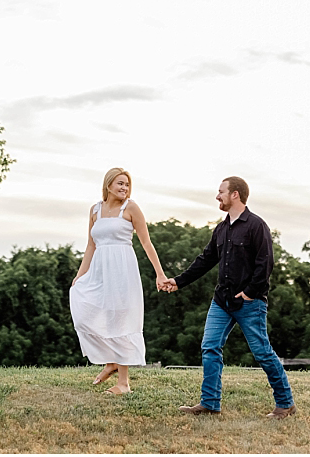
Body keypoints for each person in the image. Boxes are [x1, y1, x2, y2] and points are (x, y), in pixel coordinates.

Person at [159, 176, 296, 419]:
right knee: (210, 347)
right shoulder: (221, 229)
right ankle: (210, 403)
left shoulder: (256, 225)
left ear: (235, 194)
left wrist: (251, 292)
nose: (217, 196)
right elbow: (206, 260)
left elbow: (265, 263)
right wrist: (178, 281)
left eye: (221, 191)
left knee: (262, 352)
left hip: (249, 302)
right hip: (221, 302)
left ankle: (285, 404)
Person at [70, 167, 169, 395]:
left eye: (127, 184)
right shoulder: (95, 210)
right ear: (108, 185)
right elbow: (91, 245)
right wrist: (80, 275)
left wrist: (160, 274)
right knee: (94, 312)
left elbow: (146, 243)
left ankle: (123, 383)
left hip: (122, 268)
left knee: (121, 318)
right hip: (99, 269)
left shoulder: (131, 207)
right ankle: (111, 362)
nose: (124, 188)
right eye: (120, 184)